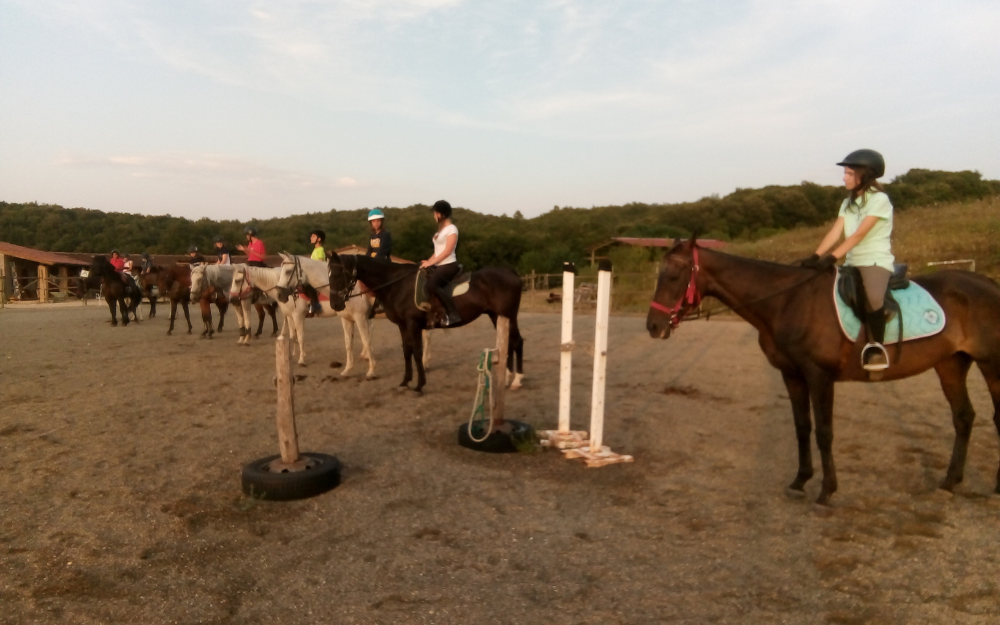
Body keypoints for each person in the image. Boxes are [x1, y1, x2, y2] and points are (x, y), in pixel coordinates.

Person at [798, 149, 894, 372]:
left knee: (873, 298)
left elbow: (859, 234)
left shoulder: (879, 200)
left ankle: (876, 347)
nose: (844, 177)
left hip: (875, 261)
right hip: (851, 261)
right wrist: (815, 256)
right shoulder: (847, 203)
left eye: (849, 173)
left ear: (865, 174)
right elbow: (835, 232)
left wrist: (832, 257)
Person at [420, 200, 462, 326]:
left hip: (449, 265)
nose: (434, 216)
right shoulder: (439, 231)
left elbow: (447, 251)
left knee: (432, 285)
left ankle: (453, 314)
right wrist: (428, 262)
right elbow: (437, 252)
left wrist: (432, 263)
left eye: (435, 213)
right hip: (439, 264)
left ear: (440, 214)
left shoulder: (452, 229)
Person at [305, 230, 327, 315]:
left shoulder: (320, 250)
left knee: (309, 286)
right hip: (314, 274)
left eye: (313, 236)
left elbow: (320, 264)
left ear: (319, 239)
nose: (311, 238)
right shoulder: (315, 250)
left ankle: (315, 305)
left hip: (319, 275)